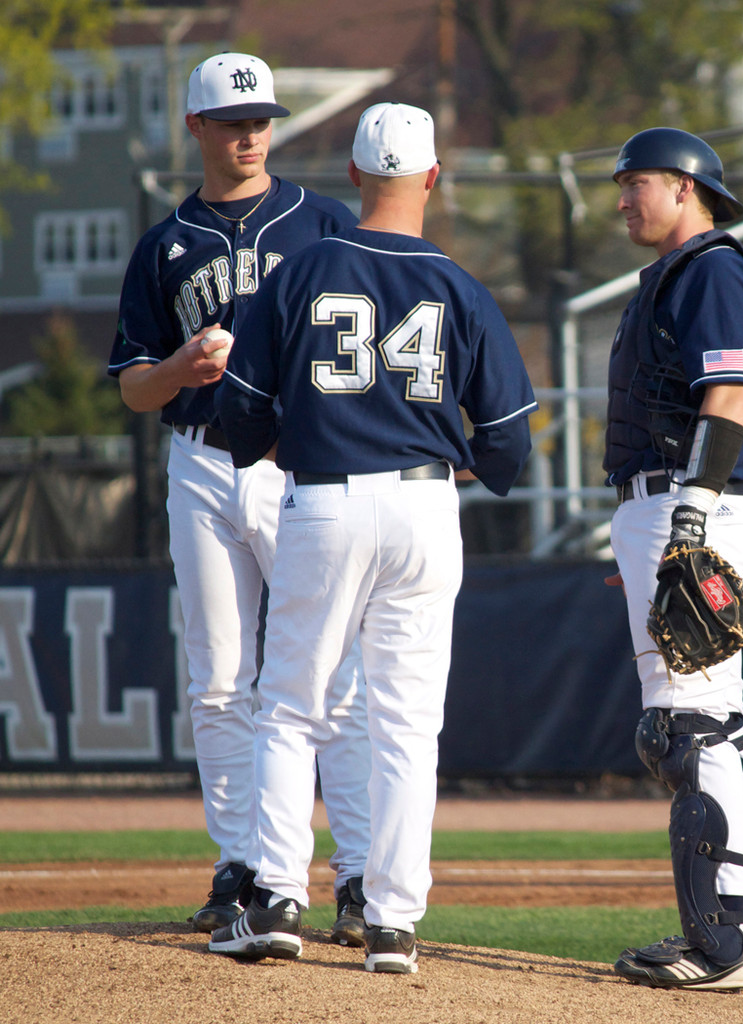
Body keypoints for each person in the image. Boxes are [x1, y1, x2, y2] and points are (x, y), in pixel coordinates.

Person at [208, 101, 536, 973]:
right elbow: (509, 445)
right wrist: (442, 459)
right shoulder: (460, 285)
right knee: (405, 724)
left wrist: (299, 439)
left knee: (288, 706)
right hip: (425, 510)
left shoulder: (305, 267)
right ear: (434, 176)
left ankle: (277, 899)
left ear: (353, 176)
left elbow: (237, 414)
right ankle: (391, 923)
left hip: (323, 499)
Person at [107, 52, 372, 947]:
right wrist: (179, 368)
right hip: (203, 460)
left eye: (261, 117)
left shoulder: (324, 224)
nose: (251, 133)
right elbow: (133, 390)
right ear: (196, 129)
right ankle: (242, 865)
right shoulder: (165, 243)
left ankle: (360, 872)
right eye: (230, 120)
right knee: (219, 679)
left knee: (326, 680)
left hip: (301, 466)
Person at [602, 127, 743, 991]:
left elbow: (730, 392)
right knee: (713, 726)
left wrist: (687, 514)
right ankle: (733, 923)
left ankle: (720, 943)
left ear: (684, 186)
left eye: (634, 182)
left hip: (692, 503)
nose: (621, 199)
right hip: (672, 506)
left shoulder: (711, 267)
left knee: (689, 728)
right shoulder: (682, 273)